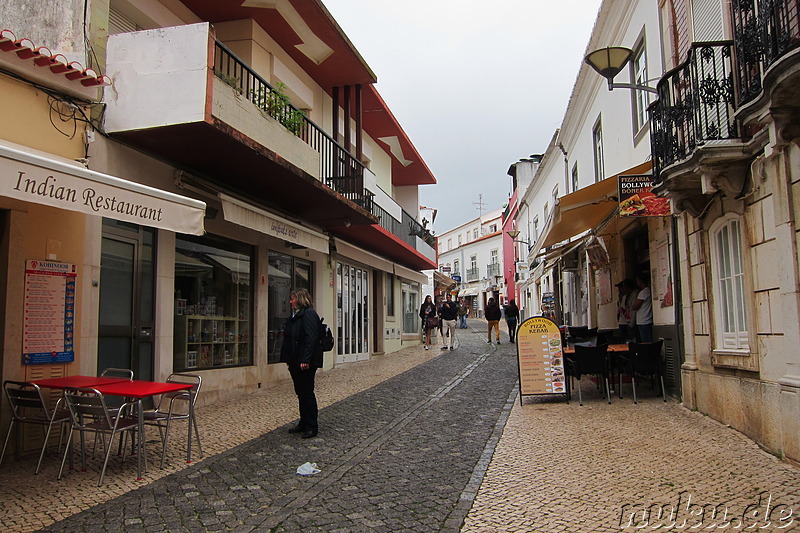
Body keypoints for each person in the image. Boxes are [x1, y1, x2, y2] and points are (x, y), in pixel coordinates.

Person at [279, 288, 322, 439]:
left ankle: (311, 426)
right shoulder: (296, 315)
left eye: (292, 299)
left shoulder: (308, 314)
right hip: (295, 360)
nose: (290, 301)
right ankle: (303, 423)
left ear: (300, 299)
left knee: (306, 393)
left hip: (304, 362)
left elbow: (311, 339)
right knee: (301, 393)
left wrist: (305, 359)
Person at [631, 273, 653, 343]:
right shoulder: (648, 290)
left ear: (640, 281)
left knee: (645, 341)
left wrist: (632, 305)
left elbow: (635, 306)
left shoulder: (644, 292)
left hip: (644, 321)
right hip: (645, 320)